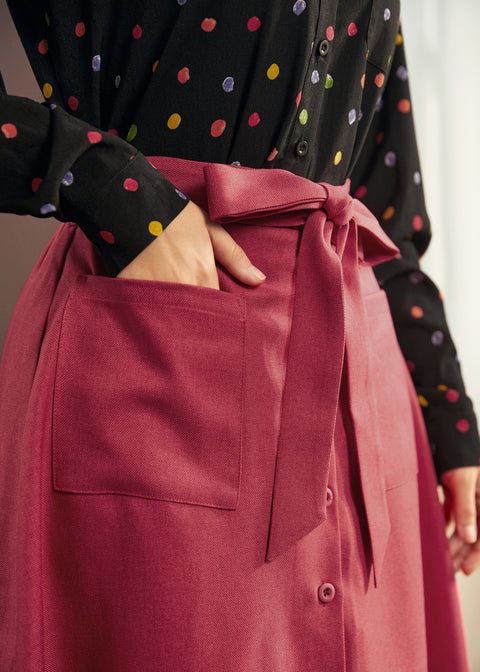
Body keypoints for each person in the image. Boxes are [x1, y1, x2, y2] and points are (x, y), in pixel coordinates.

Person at [0, 1, 479, 670]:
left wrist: (447, 404)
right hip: (154, 330)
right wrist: (114, 192)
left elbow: (382, 172)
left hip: (362, 367)